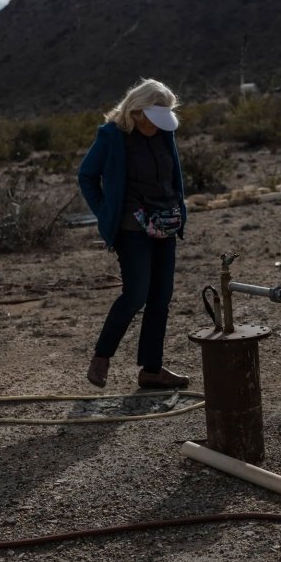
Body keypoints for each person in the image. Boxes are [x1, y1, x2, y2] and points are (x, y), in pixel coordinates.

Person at [78, 78, 190, 390]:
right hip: (132, 228)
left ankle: (151, 370)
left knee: (161, 297)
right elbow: (87, 176)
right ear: (137, 112)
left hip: (165, 223)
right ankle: (101, 358)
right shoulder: (113, 136)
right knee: (136, 294)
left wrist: (179, 211)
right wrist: (106, 213)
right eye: (154, 118)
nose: (158, 125)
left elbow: (173, 176)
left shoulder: (164, 134)